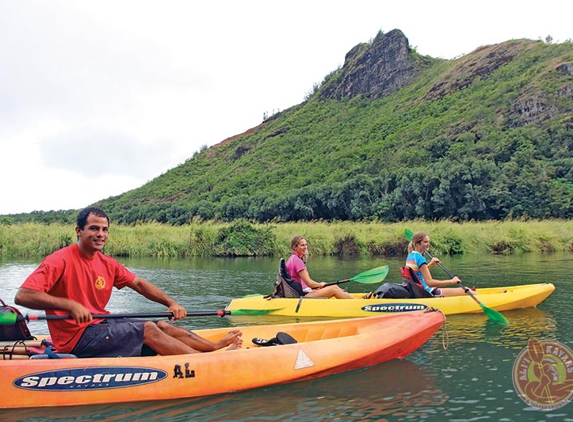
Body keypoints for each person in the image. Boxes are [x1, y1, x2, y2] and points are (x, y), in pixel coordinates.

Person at [14, 206, 242, 358]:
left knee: (162, 324)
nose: (100, 234)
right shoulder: (59, 260)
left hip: (99, 325)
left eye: (104, 229)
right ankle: (205, 362)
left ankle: (213, 347)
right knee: (148, 329)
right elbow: (23, 295)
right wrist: (69, 305)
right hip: (75, 339)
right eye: (93, 228)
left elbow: (139, 284)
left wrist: (171, 303)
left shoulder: (107, 263)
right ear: (79, 230)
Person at [405, 231, 476, 297]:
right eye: (425, 242)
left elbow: (417, 273)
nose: (428, 244)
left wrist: (431, 264)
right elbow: (430, 283)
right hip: (427, 292)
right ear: (417, 243)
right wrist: (451, 281)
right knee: (466, 290)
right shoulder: (420, 258)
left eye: (428, 242)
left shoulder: (411, 255)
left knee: (466, 289)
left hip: (418, 290)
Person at [285, 236, 355, 299]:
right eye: (302, 245)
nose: (305, 247)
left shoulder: (293, 258)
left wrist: (319, 285)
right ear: (295, 247)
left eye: (306, 245)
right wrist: (319, 285)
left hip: (305, 291)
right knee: (334, 289)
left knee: (329, 285)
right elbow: (309, 283)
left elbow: (306, 283)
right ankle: (357, 304)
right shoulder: (297, 261)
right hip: (303, 295)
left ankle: (348, 297)